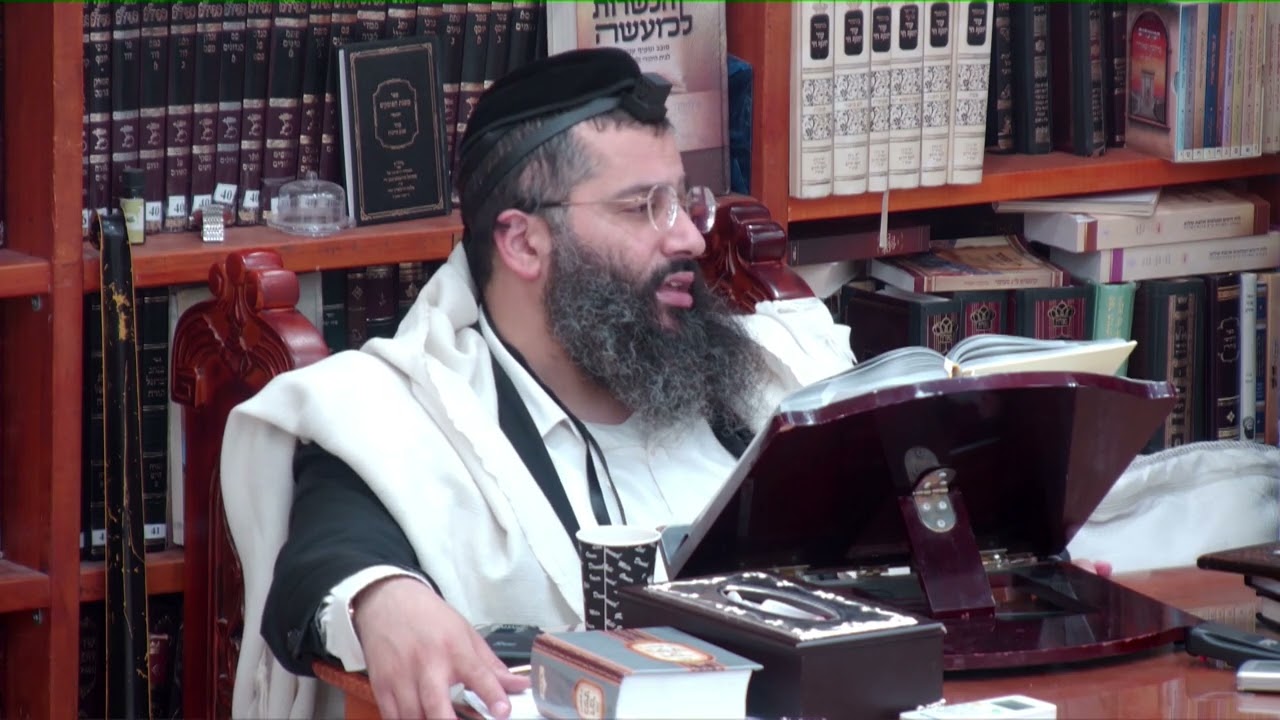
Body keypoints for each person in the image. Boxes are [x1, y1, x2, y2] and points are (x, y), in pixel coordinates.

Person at [219, 47, 854, 720]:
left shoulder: (769, 378)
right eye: (643, 207)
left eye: (683, 201)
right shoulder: (402, 417)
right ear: (523, 243)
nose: (690, 241)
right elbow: (327, 558)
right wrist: (385, 600)